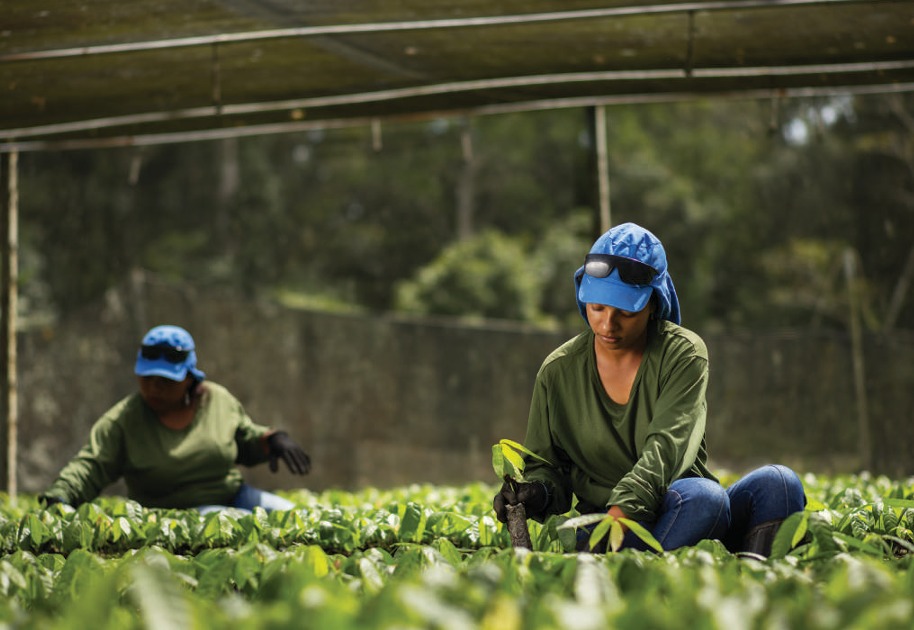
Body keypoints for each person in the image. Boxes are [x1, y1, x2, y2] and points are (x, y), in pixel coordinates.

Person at [493, 223, 806, 556]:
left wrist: (622, 513)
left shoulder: (683, 354)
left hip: (682, 510)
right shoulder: (557, 371)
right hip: (606, 527)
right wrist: (536, 492)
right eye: (597, 308)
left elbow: (666, 448)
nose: (607, 324)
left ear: (655, 303)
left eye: (625, 312)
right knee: (707, 501)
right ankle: (649, 576)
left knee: (778, 484)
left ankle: (750, 578)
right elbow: (548, 466)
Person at [40, 324, 311, 513]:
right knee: (234, 523)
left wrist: (272, 440)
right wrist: (61, 496)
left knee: (296, 518)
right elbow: (91, 465)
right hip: (177, 512)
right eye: (148, 378)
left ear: (190, 378)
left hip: (235, 495)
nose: (155, 387)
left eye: (166, 380)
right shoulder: (124, 420)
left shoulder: (217, 400)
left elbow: (245, 439)